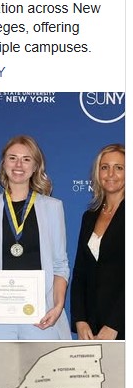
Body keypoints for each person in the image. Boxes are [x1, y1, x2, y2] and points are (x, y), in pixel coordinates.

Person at [0, 135, 71, 340]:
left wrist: (58, 306)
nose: (18, 164)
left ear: (35, 166)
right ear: (3, 163)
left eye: (26, 159)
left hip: (41, 314)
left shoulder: (53, 208)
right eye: (12, 157)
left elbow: (60, 264)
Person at [70, 144, 125, 340]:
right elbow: (80, 273)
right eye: (105, 167)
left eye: (119, 167)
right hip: (92, 328)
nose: (111, 173)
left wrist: (115, 324)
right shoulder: (89, 217)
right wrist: (80, 320)